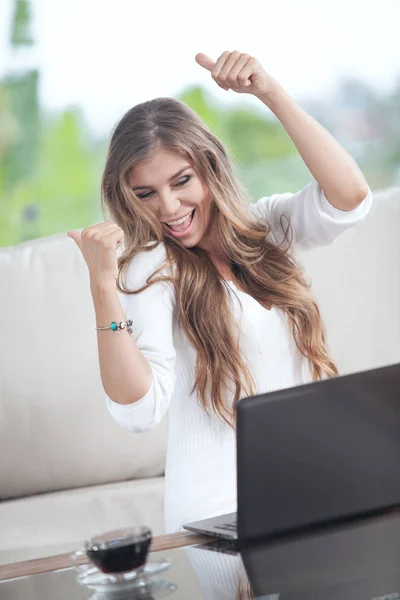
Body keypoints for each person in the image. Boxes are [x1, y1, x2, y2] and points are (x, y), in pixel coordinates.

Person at [67, 51, 373, 534]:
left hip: (311, 486)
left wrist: (268, 91)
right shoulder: (154, 268)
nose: (168, 207)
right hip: (224, 511)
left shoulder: (265, 229)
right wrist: (102, 285)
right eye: (145, 194)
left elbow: (350, 199)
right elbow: (138, 411)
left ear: (210, 168)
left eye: (182, 181)